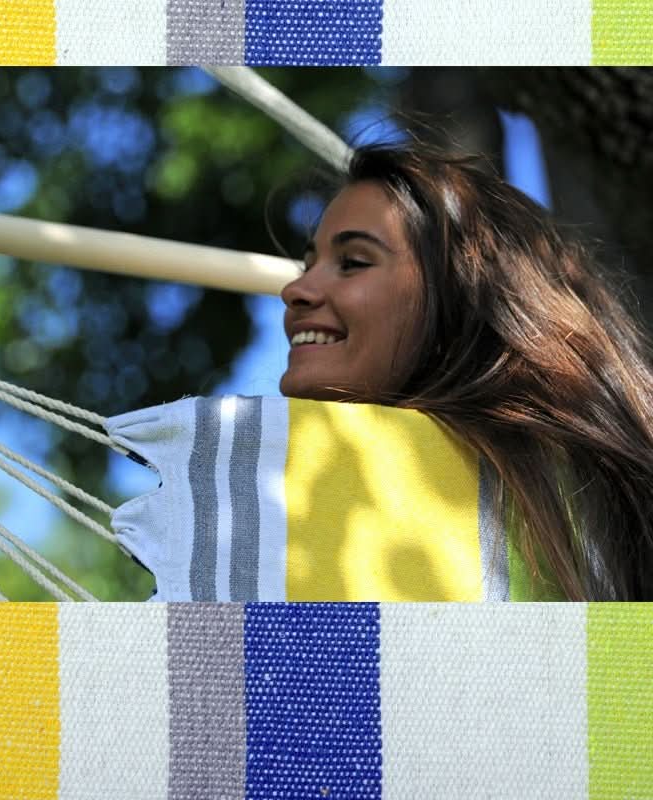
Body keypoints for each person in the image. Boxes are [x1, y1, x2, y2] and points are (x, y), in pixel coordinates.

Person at [278, 143, 653, 601]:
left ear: (460, 300)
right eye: (307, 265)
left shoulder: (588, 499)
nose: (295, 289)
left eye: (353, 262)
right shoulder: (270, 489)